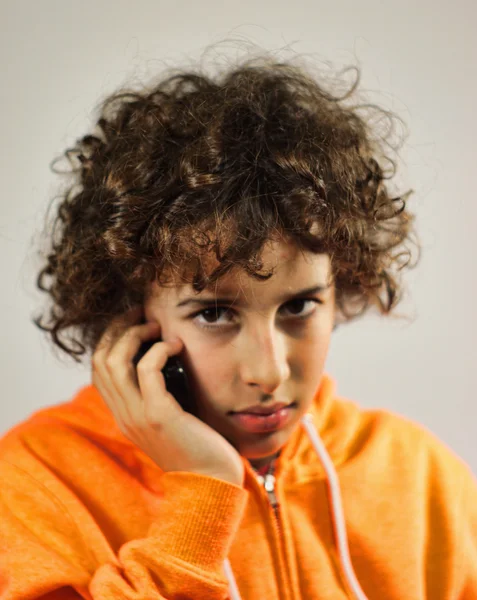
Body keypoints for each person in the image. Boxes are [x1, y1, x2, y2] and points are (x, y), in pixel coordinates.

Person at [0, 53, 475, 600]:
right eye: (215, 314)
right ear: (132, 313)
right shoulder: (39, 481)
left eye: (298, 307)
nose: (269, 370)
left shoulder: (419, 475)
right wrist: (203, 496)